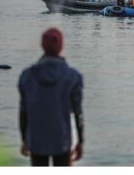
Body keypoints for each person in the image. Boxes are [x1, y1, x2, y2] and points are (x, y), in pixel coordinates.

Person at [18, 28, 84, 166]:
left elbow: (23, 113)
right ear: (61, 46)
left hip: (36, 140)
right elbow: (78, 114)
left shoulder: (27, 76)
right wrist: (80, 142)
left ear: (42, 45)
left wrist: (24, 140)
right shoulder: (73, 77)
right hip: (62, 140)